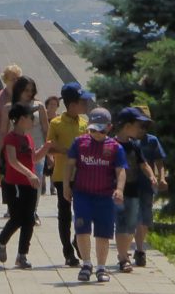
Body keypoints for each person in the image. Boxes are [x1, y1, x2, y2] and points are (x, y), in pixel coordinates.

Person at [63, 108, 127, 283]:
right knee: (82, 229)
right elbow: (69, 165)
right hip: (83, 194)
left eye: (101, 130)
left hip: (105, 196)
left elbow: (120, 170)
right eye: (93, 129)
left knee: (103, 233)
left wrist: (120, 189)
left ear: (109, 127)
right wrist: (66, 185)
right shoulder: (79, 143)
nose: (97, 134)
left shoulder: (115, 147)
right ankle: (86, 264)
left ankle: (101, 267)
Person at [0, 104, 52, 269]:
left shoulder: (29, 138)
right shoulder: (11, 138)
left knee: (29, 220)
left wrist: (45, 150)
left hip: (30, 184)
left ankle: (22, 255)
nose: (33, 120)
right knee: (17, 218)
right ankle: (1, 240)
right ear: (20, 119)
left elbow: (33, 159)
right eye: (30, 117)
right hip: (15, 184)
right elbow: (12, 161)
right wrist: (30, 174)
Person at [0, 76, 49, 223]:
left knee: (35, 179)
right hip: (14, 149)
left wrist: (48, 151)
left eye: (32, 90)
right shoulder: (9, 107)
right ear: (19, 90)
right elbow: (2, 130)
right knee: (16, 180)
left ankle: (33, 211)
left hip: (35, 148)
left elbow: (45, 129)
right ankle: (16, 209)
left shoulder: (39, 106)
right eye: (26, 90)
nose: (29, 93)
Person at [47, 82, 88, 266]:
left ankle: (77, 241)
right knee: (64, 215)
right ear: (72, 105)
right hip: (61, 176)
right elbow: (50, 147)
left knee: (84, 213)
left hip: (83, 176)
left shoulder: (85, 123)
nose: (86, 105)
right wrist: (69, 151)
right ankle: (68, 251)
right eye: (82, 101)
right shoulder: (56, 123)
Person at [113, 107, 157, 273]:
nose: (140, 129)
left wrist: (151, 175)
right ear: (127, 125)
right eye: (138, 125)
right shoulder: (112, 144)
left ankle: (123, 254)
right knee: (121, 224)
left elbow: (143, 164)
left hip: (133, 190)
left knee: (131, 225)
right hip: (115, 191)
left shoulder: (134, 146)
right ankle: (123, 258)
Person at [130, 107, 167, 267]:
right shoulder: (128, 140)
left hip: (147, 185)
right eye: (140, 124)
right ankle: (133, 249)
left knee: (144, 217)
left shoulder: (152, 141)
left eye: (145, 125)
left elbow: (159, 162)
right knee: (132, 217)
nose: (142, 129)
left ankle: (139, 249)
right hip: (130, 184)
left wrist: (162, 178)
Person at [43, 95, 61, 196]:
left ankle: (53, 187)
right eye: (51, 104)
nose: (52, 106)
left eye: (55, 104)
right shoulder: (43, 116)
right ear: (47, 105)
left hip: (55, 144)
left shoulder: (59, 118)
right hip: (44, 143)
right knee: (43, 165)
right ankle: (43, 186)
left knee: (55, 165)